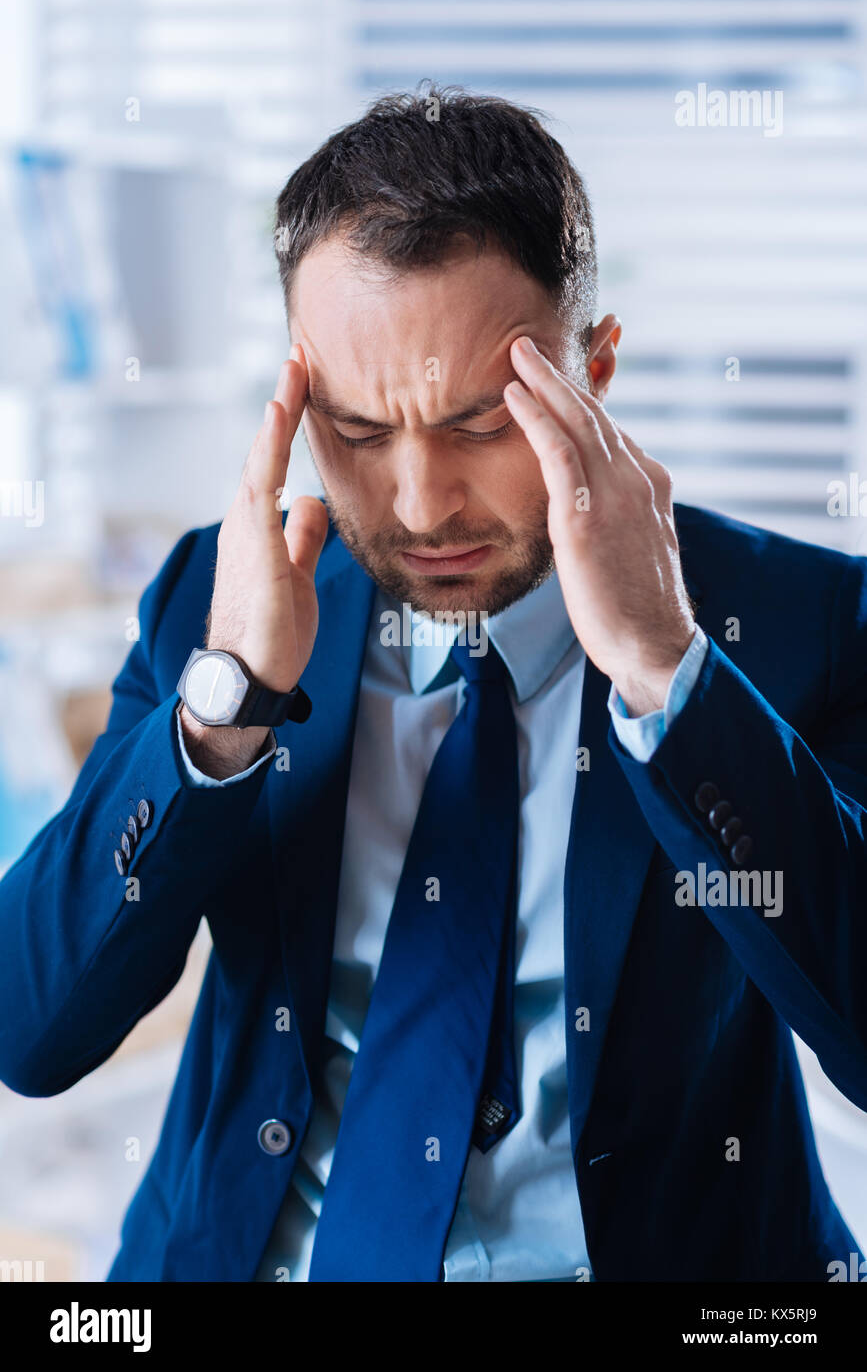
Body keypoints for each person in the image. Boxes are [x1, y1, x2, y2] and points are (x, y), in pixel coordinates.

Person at [1, 84, 865, 1283]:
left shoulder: (796, 620)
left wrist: (671, 672)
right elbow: (30, 1029)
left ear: (595, 370)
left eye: (479, 423)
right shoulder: (219, 594)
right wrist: (228, 700)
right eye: (357, 432)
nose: (420, 506)